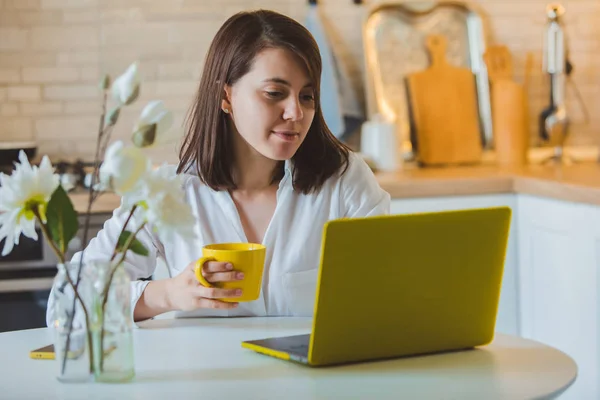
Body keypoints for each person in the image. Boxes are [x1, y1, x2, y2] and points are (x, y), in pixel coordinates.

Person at [46, 9, 390, 326]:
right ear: (226, 97)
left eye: (307, 96)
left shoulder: (345, 182)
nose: (295, 113)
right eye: (274, 93)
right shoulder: (168, 194)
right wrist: (166, 294)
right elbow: (66, 303)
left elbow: (392, 294)